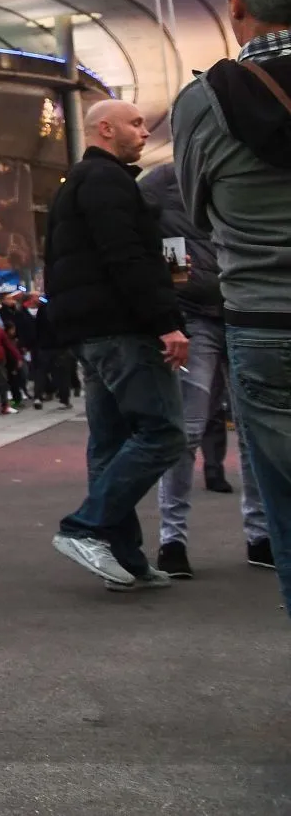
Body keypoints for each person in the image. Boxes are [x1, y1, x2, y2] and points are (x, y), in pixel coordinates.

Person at [174, 0, 291, 601]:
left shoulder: (203, 103)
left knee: (286, 515)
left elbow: (196, 208)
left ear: (237, 5)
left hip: (263, 321)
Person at [45, 99, 187, 590]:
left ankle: (123, 558)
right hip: (122, 327)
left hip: (90, 330)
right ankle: (86, 527)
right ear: (105, 129)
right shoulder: (108, 182)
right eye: (136, 123)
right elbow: (127, 256)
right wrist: (166, 322)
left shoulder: (77, 182)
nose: (145, 131)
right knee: (164, 433)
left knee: (109, 444)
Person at [138, 162, 269, 578]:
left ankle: (261, 534)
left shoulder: (242, 170)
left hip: (244, 311)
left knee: (253, 431)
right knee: (189, 430)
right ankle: (173, 539)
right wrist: (170, 273)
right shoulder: (162, 182)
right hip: (195, 315)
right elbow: (136, 233)